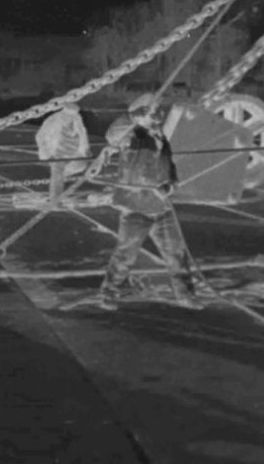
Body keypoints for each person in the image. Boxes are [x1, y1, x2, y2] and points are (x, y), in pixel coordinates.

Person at [96, 95, 209, 310]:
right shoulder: (132, 136)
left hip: (161, 207)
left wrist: (170, 185)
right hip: (136, 206)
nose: (159, 116)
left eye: (159, 111)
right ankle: (108, 294)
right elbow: (113, 135)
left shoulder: (160, 138)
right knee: (125, 254)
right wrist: (134, 117)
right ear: (141, 114)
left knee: (176, 252)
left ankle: (186, 295)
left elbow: (170, 169)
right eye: (153, 112)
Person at [35, 98, 90, 206]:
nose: (68, 118)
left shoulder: (77, 121)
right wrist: (46, 151)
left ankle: (57, 195)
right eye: (67, 115)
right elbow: (40, 136)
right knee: (57, 172)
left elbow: (83, 137)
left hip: (70, 153)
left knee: (73, 169)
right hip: (55, 153)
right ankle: (55, 199)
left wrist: (85, 151)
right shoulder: (53, 120)